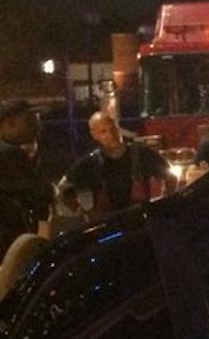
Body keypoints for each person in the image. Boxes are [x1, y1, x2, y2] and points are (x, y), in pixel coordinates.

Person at [57, 112, 174, 219]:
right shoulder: (91, 162)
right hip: (107, 226)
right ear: (94, 135)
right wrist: (82, 214)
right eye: (103, 132)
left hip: (140, 221)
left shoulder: (142, 154)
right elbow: (63, 188)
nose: (111, 135)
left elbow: (171, 178)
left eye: (113, 128)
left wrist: (161, 206)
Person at [0, 99, 51, 255]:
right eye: (30, 119)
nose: (38, 123)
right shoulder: (10, 155)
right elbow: (41, 194)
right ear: (11, 124)